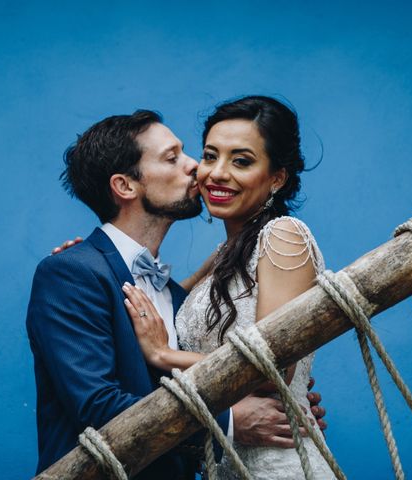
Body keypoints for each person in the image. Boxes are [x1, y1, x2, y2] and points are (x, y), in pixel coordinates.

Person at [26, 109, 325, 478]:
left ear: (278, 177)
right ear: (125, 186)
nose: (197, 168)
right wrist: (230, 420)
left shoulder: (177, 295)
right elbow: (99, 409)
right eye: (174, 158)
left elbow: (221, 369)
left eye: (190, 153)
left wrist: (284, 396)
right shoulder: (72, 273)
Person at [122, 96, 335, 479]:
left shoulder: (283, 236)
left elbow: (271, 372)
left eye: (242, 161)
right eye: (209, 156)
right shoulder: (227, 255)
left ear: (277, 177)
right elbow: (174, 302)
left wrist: (162, 354)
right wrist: (92, 258)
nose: (217, 173)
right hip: (228, 465)